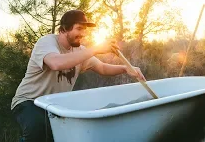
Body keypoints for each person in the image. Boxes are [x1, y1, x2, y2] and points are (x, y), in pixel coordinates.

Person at [11, 9, 146, 142]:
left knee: (60, 137)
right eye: (79, 29)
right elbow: (55, 63)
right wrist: (95, 49)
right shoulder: (46, 43)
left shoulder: (80, 51)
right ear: (64, 29)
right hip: (29, 101)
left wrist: (125, 68)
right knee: (38, 129)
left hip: (54, 106)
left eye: (84, 30)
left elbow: (103, 68)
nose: (83, 34)